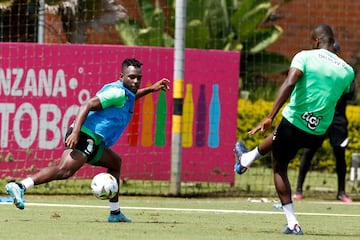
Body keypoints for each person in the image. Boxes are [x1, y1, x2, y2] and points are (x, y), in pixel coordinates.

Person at [5, 58, 170, 223]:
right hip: (85, 134)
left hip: (94, 139)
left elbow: (131, 97)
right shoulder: (117, 92)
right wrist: (76, 132)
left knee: (115, 163)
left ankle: (115, 213)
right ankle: (19, 186)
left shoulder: (125, 94)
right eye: (131, 77)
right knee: (64, 171)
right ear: (122, 77)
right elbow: (87, 105)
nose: (135, 81)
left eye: (138, 78)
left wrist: (151, 89)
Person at [235, 24, 354, 235]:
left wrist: (270, 116)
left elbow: (290, 82)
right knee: (279, 137)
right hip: (318, 133)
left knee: (279, 167)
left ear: (316, 41)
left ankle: (293, 223)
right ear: (332, 42)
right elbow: (341, 92)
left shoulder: (305, 56)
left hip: (293, 124)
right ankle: (246, 159)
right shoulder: (348, 71)